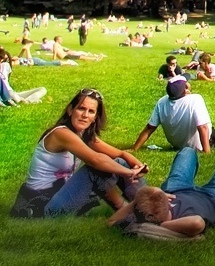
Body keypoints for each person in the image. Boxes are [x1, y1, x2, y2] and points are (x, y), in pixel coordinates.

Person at [10, 89, 148, 218]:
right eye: (81, 108)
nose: (85, 115)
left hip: (59, 196)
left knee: (118, 162)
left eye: (91, 111)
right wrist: (129, 173)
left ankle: (149, 205)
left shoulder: (82, 135)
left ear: (95, 117)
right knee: (94, 170)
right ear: (71, 110)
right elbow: (96, 160)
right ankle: (130, 212)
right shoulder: (61, 134)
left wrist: (137, 166)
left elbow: (119, 154)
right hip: (40, 206)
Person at [108, 147, 215, 236]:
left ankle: (189, 155)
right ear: (168, 205)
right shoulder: (181, 221)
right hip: (212, 198)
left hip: (177, 189)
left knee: (187, 151)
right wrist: (162, 225)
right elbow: (197, 223)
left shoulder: (142, 214)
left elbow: (110, 223)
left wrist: (137, 202)